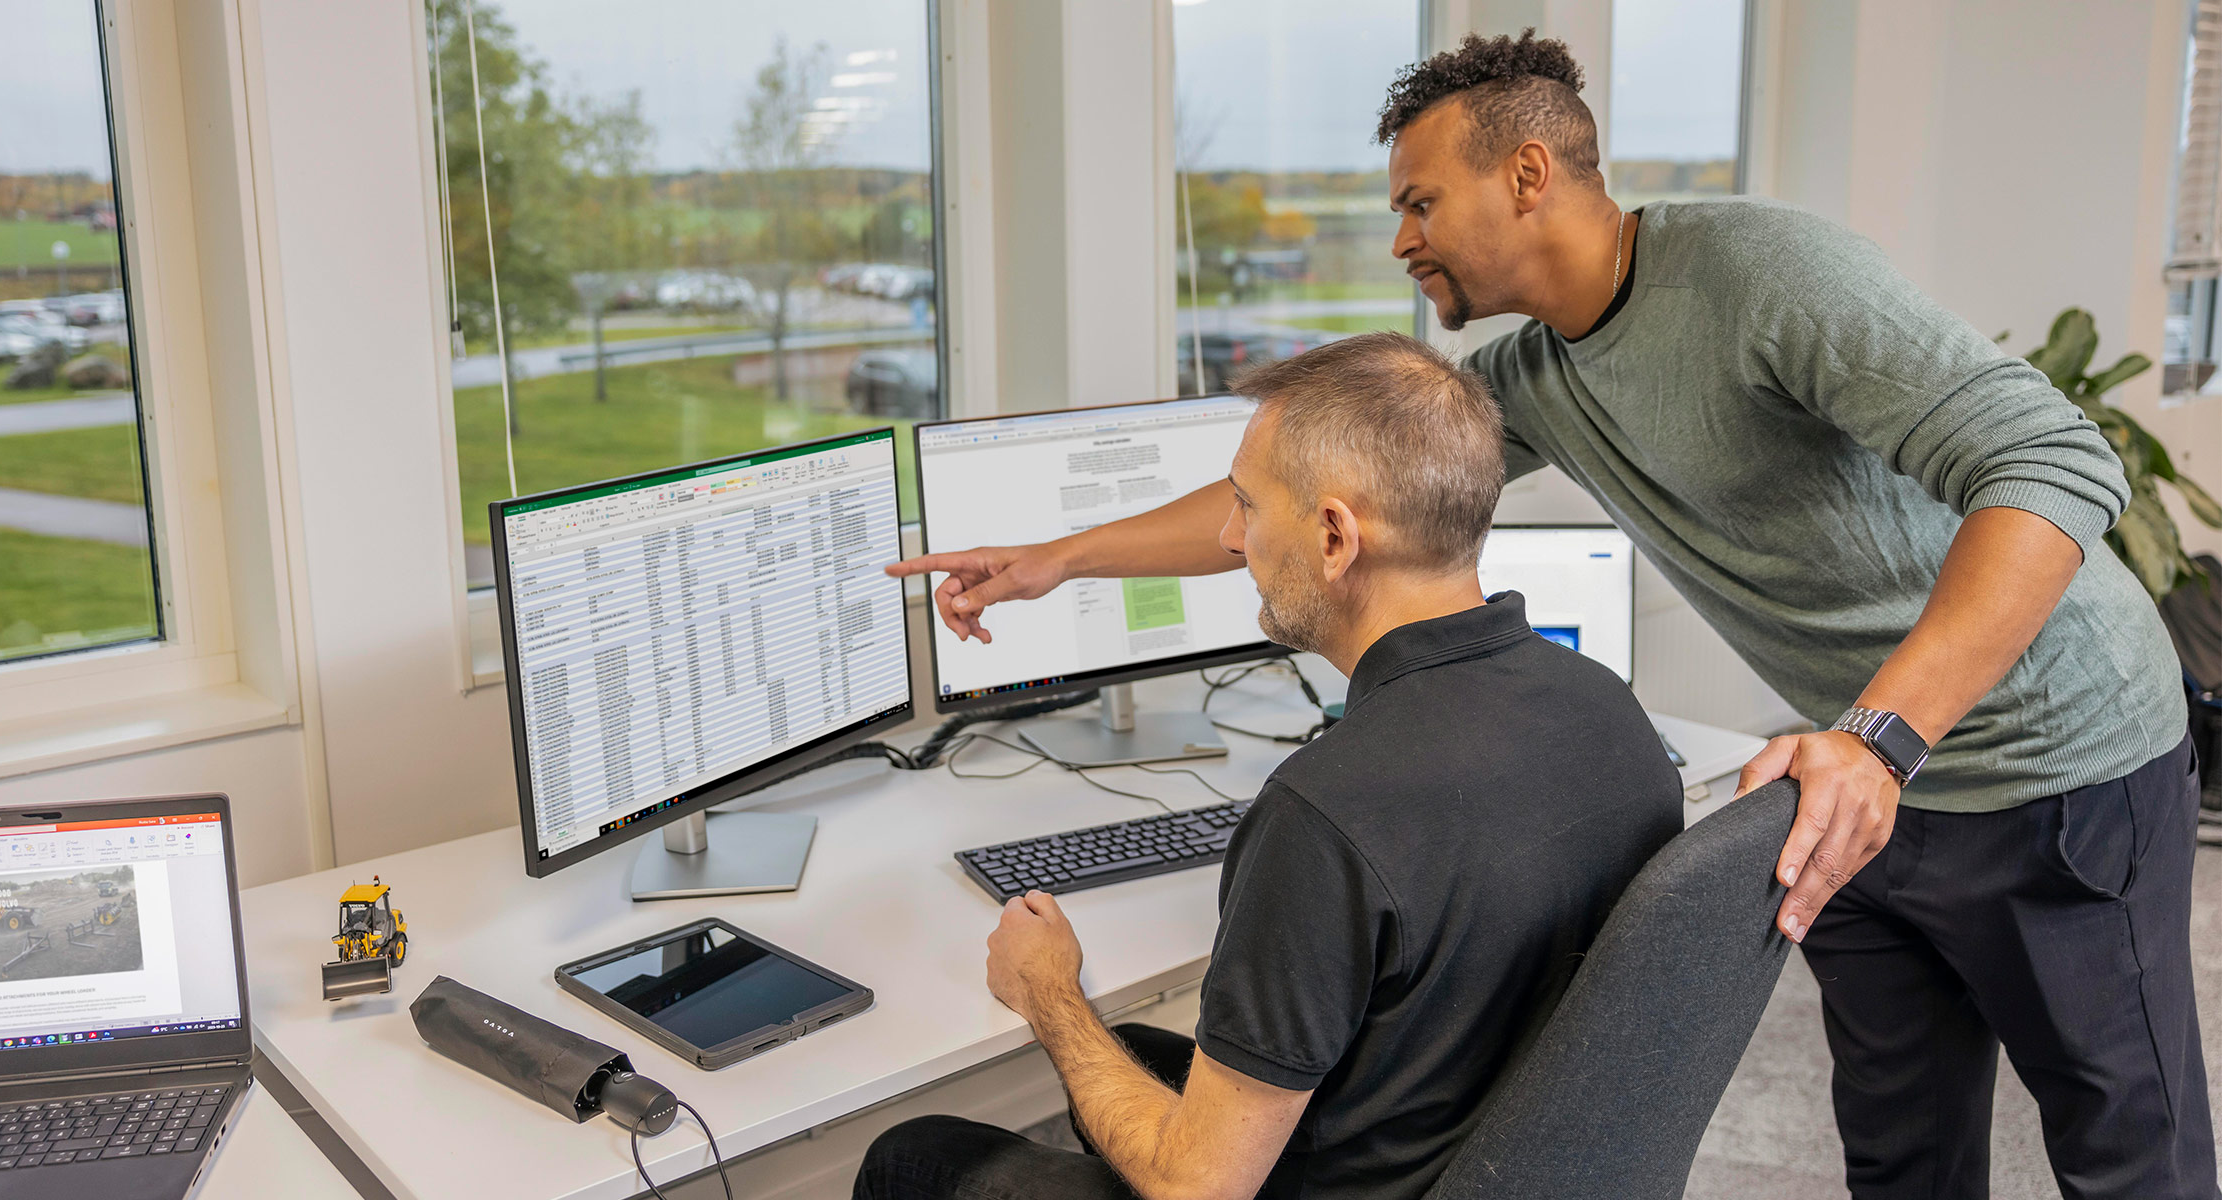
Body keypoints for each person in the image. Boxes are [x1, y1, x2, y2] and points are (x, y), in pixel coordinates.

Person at [887, 30, 2210, 1200]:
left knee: (2124, 1152)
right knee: (1902, 1151)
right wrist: (1058, 558)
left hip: (2053, 756)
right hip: (1858, 776)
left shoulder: (1762, 274)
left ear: (1526, 173)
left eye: (1418, 202)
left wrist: (1882, 739)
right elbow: (1313, 490)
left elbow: (2056, 464)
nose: (1399, 239)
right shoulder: (1539, 375)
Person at [855, 333, 1683, 1200]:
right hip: (1473, 1149)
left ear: (1333, 536)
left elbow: (1198, 1189)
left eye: (1246, 506)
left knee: (915, 1152)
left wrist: (1048, 994)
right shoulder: (1609, 709)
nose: (1227, 537)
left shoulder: (1327, 810)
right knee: (1135, 1055)